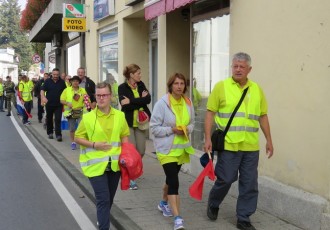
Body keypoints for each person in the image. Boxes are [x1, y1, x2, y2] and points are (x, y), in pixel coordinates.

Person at [204, 52, 274, 230]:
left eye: (242, 66)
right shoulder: (222, 87)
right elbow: (210, 113)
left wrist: (269, 140)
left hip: (250, 146)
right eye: (235, 66)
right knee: (226, 179)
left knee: (249, 183)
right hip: (229, 144)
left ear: (249, 69)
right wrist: (207, 138)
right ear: (231, 67)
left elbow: (263, 116)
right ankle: (213, 202)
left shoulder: (257, 89)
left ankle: (243, 217)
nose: (238, 69)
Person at [74, 82, 130, 230]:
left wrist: (127, 154)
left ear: (110, 96)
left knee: (109, 199)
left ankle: (101, 218)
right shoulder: (88, 118)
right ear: (95, 96)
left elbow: (124, 136)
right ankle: (103, 226)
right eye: (98, 95)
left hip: (115, 164)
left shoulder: (119, 115)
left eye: (104, 95)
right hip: (94, 165)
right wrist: (94, 145)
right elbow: (77, 138)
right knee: (103, 199)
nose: (101, 98)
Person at [150, 73, 195, 230]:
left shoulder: (188, 102)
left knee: (170, 179)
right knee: (174, 182)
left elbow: (192, 123)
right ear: (171, 85)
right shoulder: (162, 104)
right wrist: (172, 130)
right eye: (176, 83)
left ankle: (163, 203)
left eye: (182, 83)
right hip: (166, 150)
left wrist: (186, 129)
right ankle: (177, 219)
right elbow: (154, 128)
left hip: (181, 150)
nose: (179, 86)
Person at [118, 63, 151, 190]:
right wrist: (139, 100)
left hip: (141, 122)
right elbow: (124, 105)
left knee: (141, 151)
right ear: (131, 75)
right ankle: (130, 177)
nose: (140, 75)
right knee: (131, 152)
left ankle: (132, 169)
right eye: (138, 73)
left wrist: (131, 101)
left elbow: (148, 99)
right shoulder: (122, 87)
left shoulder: (141, 84)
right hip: (128, 123)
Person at [60, 75, 90, 150]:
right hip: (70, 112)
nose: (75, 82)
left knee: (82, 128)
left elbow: (87, 100)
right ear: (71, 82)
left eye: (77, 81)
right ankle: (73, 142)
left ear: (79, 82)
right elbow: (61, 100)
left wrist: (88, 105)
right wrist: (67, 103)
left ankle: (82, 142)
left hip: (81, 111)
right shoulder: (66, 90)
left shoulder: (83, 90)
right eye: (74, 81)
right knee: (72, 129)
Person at [41, 68, 67, 142]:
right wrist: (43, 97)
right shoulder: (47, 81)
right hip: (49, 104)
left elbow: (65, 92)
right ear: (52, 74)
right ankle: (50, 133)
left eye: (57, 74)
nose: (55, 76)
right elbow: (42, 90)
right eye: (54, 74)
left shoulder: (62, 82)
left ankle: (58, 135)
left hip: (59, 104)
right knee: (49, 119)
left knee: (58, 119)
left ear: (59, 74)